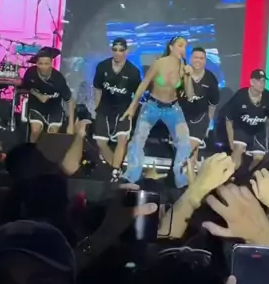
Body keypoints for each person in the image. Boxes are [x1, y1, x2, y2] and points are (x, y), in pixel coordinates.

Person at [122, 35, 194, 187]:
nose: (183, 49)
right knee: (138, 139)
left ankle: (182, 181)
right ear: (171, 47)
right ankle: (131, 177)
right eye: (180, 45)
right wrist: (132, 106)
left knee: (184, 141)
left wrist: (189, 75)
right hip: (153, 106)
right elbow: (144, 84)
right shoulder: (159, 63)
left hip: (172, 108)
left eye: (185, 46)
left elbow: (189, 94)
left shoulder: (184, 67)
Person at [93, 38, 141, 175]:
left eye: (121, 50)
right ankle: (117, 170)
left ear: (126, 51)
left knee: (122, 139)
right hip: (105, 108)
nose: (117, 53)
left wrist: (132, 111)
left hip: (123, 109)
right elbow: (97, 88)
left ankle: (114, 172)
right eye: (115, 50)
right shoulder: (102, 66)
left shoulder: (133, 71)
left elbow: (137, 95)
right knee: (100, 142)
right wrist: (97, 107)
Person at [225, 68, 269, 166]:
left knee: (259, 159)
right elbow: (228, 119)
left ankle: (249, 175)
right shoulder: (240, 96)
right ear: (251, 82)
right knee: (238, 149)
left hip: (258, 132)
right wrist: (231, 141)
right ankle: (230, 173)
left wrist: (268, 138)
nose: (262, 83)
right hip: (242, 128)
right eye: (259, 81)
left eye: (263, 81)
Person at [21, 48, 75, 142]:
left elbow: (70, 101)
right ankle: (32, 150)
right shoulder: (31, 73)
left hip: (54, 109)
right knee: (35, 132)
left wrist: (71, 125)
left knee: (52, 135)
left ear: (51, 64)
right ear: (36, 64)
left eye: (46, 64)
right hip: (36, 106)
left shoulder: (58, 79)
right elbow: (26, 88)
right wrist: (38, 95)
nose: (43, 67)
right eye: (40, 64)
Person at [180, 46, 219, 153]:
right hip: (181, 117)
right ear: (190, 59)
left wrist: (208, 125)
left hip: (200, 118)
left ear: (205, 61)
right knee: (187, 153)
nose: (198, 60)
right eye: (195, 57)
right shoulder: (181, 74)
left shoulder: (211, 79)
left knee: (188, 149)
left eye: (201, 58)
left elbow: (213, 105)